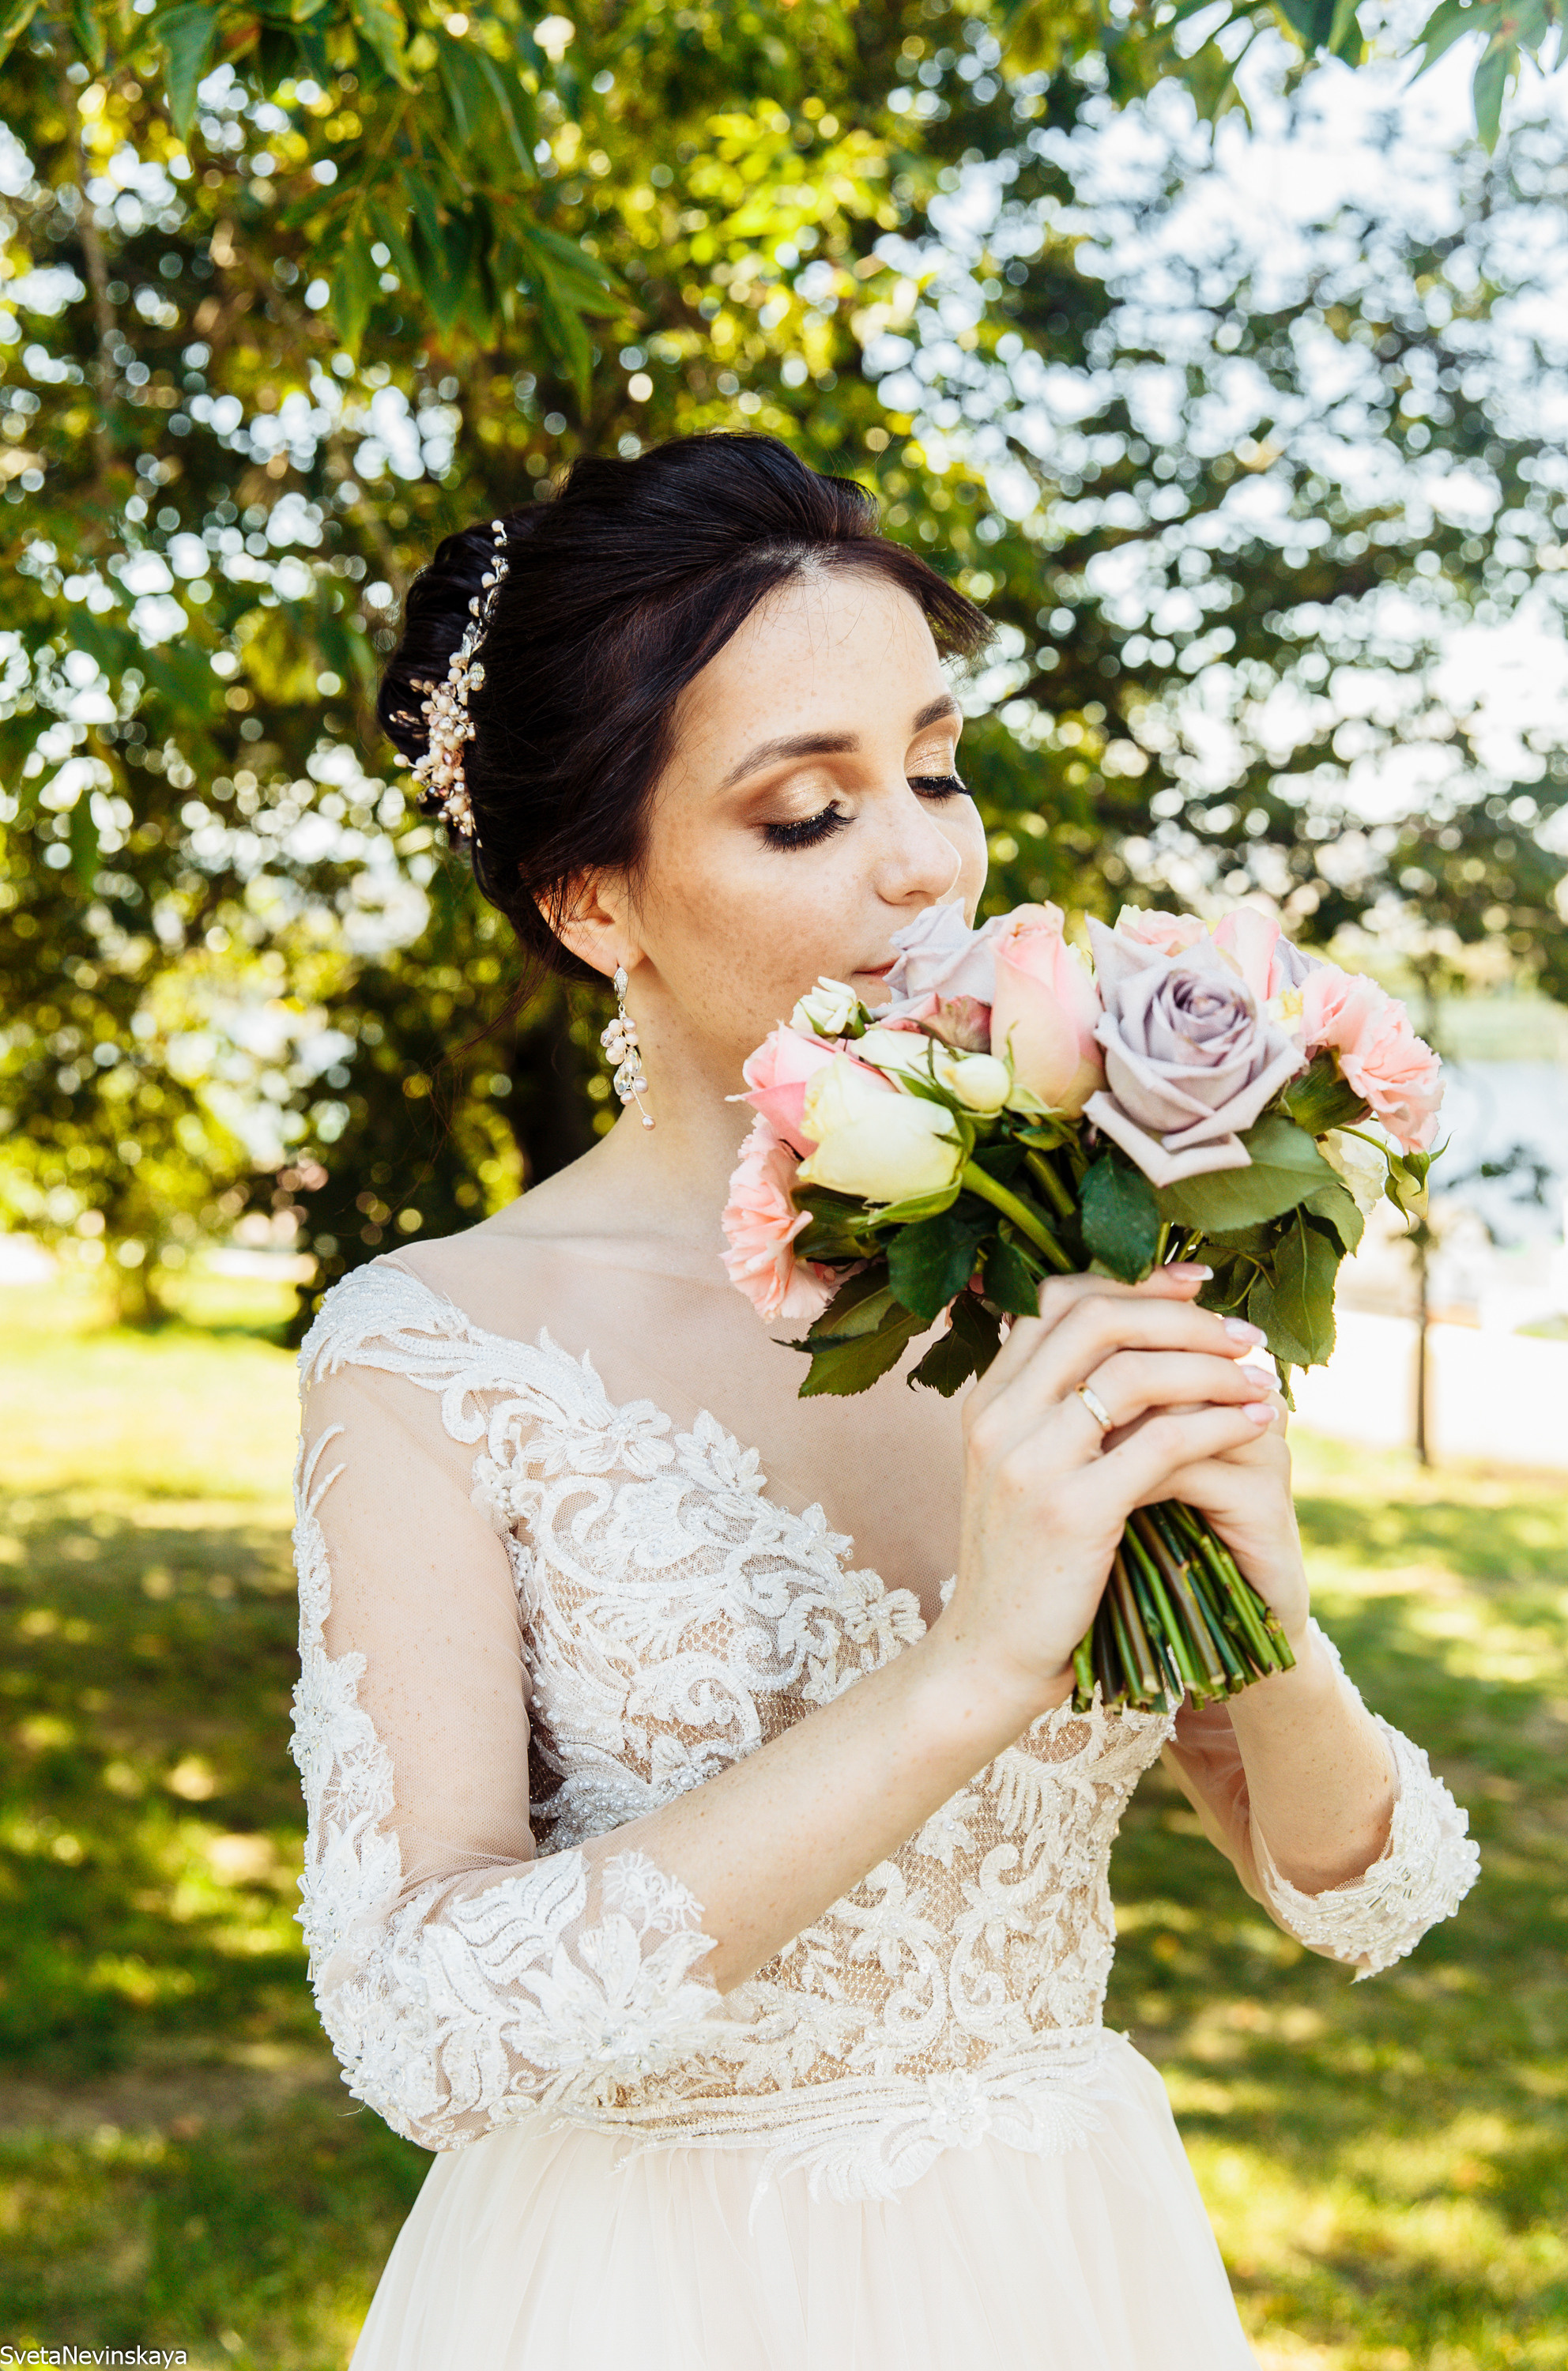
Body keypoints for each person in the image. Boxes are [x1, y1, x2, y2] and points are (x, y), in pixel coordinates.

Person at [289, 434, 1478, 2369]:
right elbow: (426, 2026)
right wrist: (971, 1668)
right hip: (650, 2297)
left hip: (1067, 2261)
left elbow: (1368, 1889)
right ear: (597, 900)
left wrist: (1261, 1601)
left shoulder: (1052, 1245)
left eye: (932, 768)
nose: (924, 857)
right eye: (802, 812)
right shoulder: (433, 1350)